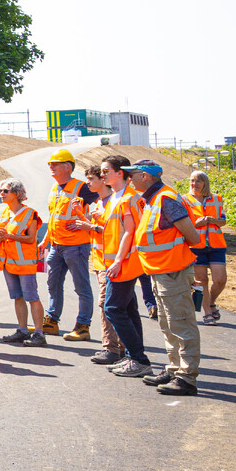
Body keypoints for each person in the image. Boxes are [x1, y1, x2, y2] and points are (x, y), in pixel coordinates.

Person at [129, 160, 205, 395]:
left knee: (181, 323)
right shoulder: (153, 198)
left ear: (145, 176)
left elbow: (192, 236)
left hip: (172, 271)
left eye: (132, 174)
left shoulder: (165, 198)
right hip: (160, 271)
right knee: (167, 323)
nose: (129, 179)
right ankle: (174, 370)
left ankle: (186, 378)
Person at [97, 156, 156, 380]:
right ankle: (134, 357)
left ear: (120, 172)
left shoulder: (129, 198)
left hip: (124, 264)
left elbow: (131, 232)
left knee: (112, 309)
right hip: (115, 263)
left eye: (106, 171)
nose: (102, 175)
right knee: (128, 310)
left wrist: (118, 261)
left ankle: (139, 359)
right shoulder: (115, 197)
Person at [40, 147, 95, 338]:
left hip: (76, 245)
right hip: (56, 246)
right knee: (53, 284)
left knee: (81, 287)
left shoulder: (82, 188)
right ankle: (51, 321)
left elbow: (107, 204)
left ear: (67, 167)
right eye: (50, 165)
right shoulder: (55, 188)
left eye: (55, 165)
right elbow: (55, 217)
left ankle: (83, 326)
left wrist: (88, 225)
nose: (51, 168)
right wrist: (45, 240)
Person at [79, 165, 127, 366]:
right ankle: (121, 348)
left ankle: (112, 348)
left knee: (106, 305)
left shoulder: (115, 202)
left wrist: (91, 226)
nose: (87, 183)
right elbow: (98, 232)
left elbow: (117, 230)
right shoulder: (99, 203)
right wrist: (83, 218)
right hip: (101, 261)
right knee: (117, 306)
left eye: (91, 179)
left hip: (114, 262)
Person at [0, 179, 47, 344]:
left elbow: (31, 238)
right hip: (8, 262)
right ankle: (22, 330)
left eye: (5, 191)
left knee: (32, 297)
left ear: (16, 194)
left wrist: (10, 236)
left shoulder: (30, 213)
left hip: (25, 263)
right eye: (0, 191)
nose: (1, 194)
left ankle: (39, 334)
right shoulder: (1, 213)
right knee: (17, 297)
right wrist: (0, 236)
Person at [186, 171, 227, 324]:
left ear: (205, 183)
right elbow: (184, 223)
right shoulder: (185, 200)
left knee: (220, 280)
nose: (194, 184)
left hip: (216, 244)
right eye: (192, 181)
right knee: (201, 280)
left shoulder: (216, 199)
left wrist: (213, 220)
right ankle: (207, 312)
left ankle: (211, 301)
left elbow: (223, 221)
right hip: (196, 245)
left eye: (197, 181)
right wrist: (198, 223)